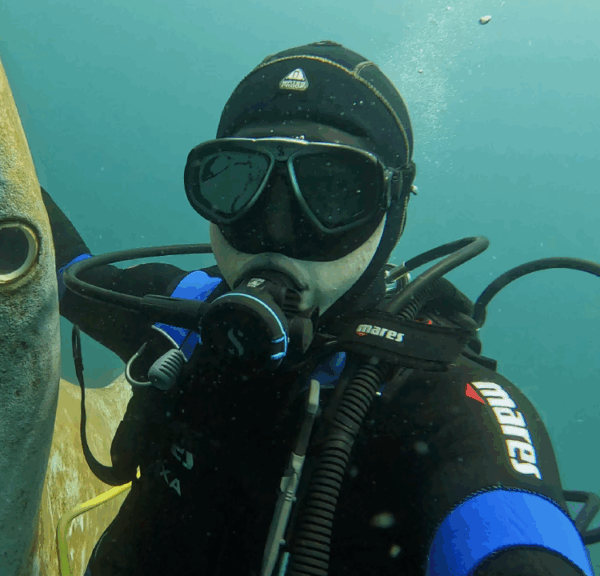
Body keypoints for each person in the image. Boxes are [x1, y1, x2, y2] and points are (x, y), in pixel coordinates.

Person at [42, 41, 595, 576]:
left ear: (392, 208)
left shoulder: (444, 402)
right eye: (241, 181)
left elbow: (513, 537)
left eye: (331, 191)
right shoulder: (181, 314)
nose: (276, 228)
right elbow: (49, 263)